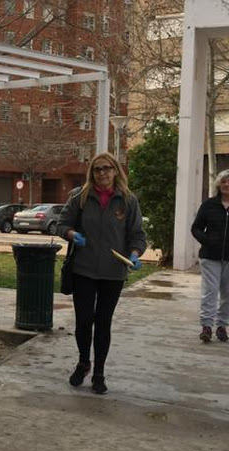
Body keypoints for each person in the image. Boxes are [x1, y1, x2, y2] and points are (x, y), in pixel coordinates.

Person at [58, 152, 146, 395]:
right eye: (97, 169)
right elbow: (61, 224)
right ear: (91, 172)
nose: (102, 173)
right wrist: (71, 234)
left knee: (103, 322)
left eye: (107, 168)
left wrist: (135, 253)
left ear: (116, 170)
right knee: (84, 321)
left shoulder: (128, 200)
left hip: (113, 272)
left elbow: (137, 234)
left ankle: (99, 372)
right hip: (83, 269)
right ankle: (83, 362)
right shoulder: (80, 197)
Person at [191, 169, 229, 342]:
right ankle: (206, 326)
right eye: (224, 182)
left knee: (227, 294)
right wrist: (207, 241)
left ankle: (222, 326)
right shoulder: (209, 205)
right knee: (210, 292)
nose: (227, 185)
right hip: (210, 256)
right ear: (219, 185)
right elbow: (196, 228)